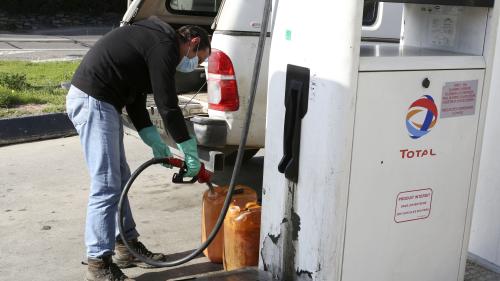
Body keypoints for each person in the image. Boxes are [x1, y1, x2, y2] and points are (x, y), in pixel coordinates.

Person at [66, 16, 211, 281]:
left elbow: (135, 103)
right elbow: (167, 105)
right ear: (193, 42)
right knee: (106, 183)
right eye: (199, 59)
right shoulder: (164, 45)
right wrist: (189, 149)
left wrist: (155, 142)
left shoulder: (153, 41)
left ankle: (126, 247)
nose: (195, 65)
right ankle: (98, 264)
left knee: (119, 178)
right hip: (94, 100)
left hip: (102, 102)